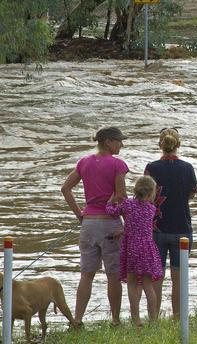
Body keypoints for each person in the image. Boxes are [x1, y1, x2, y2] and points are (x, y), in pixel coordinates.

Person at [60, 126, 128, 326]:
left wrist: (79, 215)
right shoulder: (118, 165)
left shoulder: (84, 162)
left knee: (86, 275)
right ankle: (115, 320)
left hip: (88, 224)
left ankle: (78, 319)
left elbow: (65, 189)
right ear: (108, 141)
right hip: (110, 225)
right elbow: (121, 197)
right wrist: (128, 225)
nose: (121, 144)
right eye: (119, 141)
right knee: (113, 275)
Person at [145, 128, 197, 318]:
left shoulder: (151, 167)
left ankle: (154, 317)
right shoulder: (187, 167)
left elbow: (146, 196)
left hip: (157, 229)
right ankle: (177, 317)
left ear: (160, 144)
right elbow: (191, 193)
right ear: (178, 144)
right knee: (179, 278)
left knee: (156, 277)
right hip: (182, 228)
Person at [105, 176, 162, 326]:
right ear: (150, 193)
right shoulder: (152, 208)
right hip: (148, 248)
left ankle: (136, 320)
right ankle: (153, 320)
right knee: (148, 285)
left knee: (131, 283)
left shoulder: (128, 204)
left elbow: (112, 211)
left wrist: (111, 199)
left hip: (132, 248)